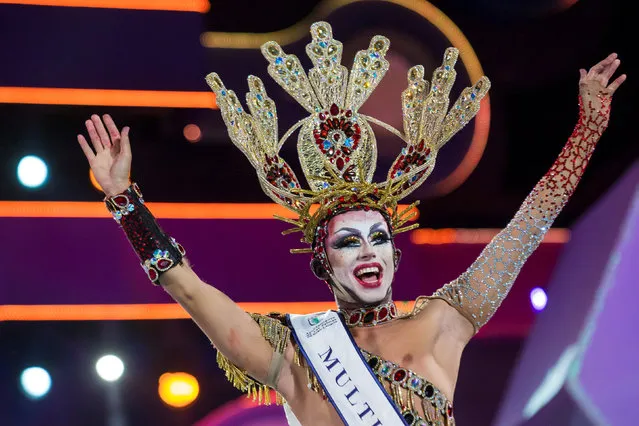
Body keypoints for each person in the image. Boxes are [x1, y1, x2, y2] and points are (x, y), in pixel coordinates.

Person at [77, 22, 625, 426]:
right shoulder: (290, 352)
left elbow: (528, 227)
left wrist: (587, 130)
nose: (368, 251)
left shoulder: (444, 322)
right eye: (348, 240)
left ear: (394, 253)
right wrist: (124, 199)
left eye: (379, 238)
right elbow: (189, 290)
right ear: (324, 262)